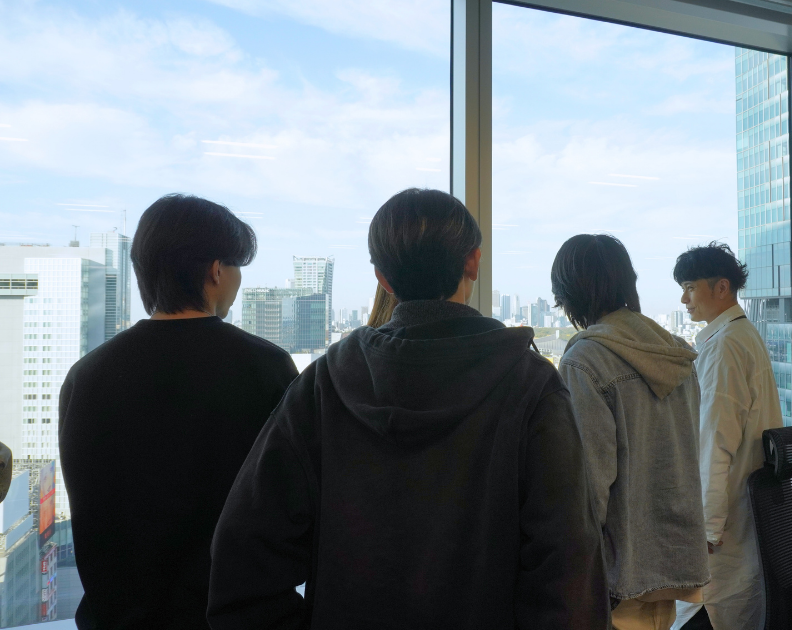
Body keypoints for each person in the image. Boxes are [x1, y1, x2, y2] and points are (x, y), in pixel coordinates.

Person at [208, 188, 609, 630]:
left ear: (382, 278)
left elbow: (244, 555)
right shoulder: (530, 385)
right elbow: (569, 565)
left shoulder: (324, 384)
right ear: (473, 262)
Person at [59, 194, 298, 630]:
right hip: (238, 619)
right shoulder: (266, 367)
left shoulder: (87, 376)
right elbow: (292, 505)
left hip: (117, 621)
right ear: (216, 270)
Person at [553, 235, 710, 630]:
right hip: (670, 563)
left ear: (571, 293)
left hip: (617, 573)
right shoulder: (676, 351)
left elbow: (589, 486)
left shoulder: (585, 360)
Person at [671, 242, 783, 630]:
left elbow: (714, 443)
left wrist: (705, 528)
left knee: (713, 612)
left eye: (690, 287)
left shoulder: (724, 346)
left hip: (725, 530)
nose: (684, 300)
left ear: (721, 287)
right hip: (746, 517)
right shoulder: (742, 334)